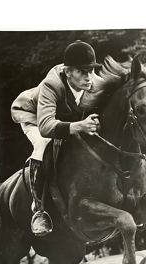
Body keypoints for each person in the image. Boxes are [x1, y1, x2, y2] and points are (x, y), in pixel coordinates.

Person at [11, 40, 101, 236]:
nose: (89, 78)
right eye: (82, 72)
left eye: (91, 71)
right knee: (44, 143)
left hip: (59, 119)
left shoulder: (93, 82)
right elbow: (45, 127)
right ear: (68, 72)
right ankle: (39, 210)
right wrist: (80, 125)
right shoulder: (51, 85)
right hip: (33, 116)